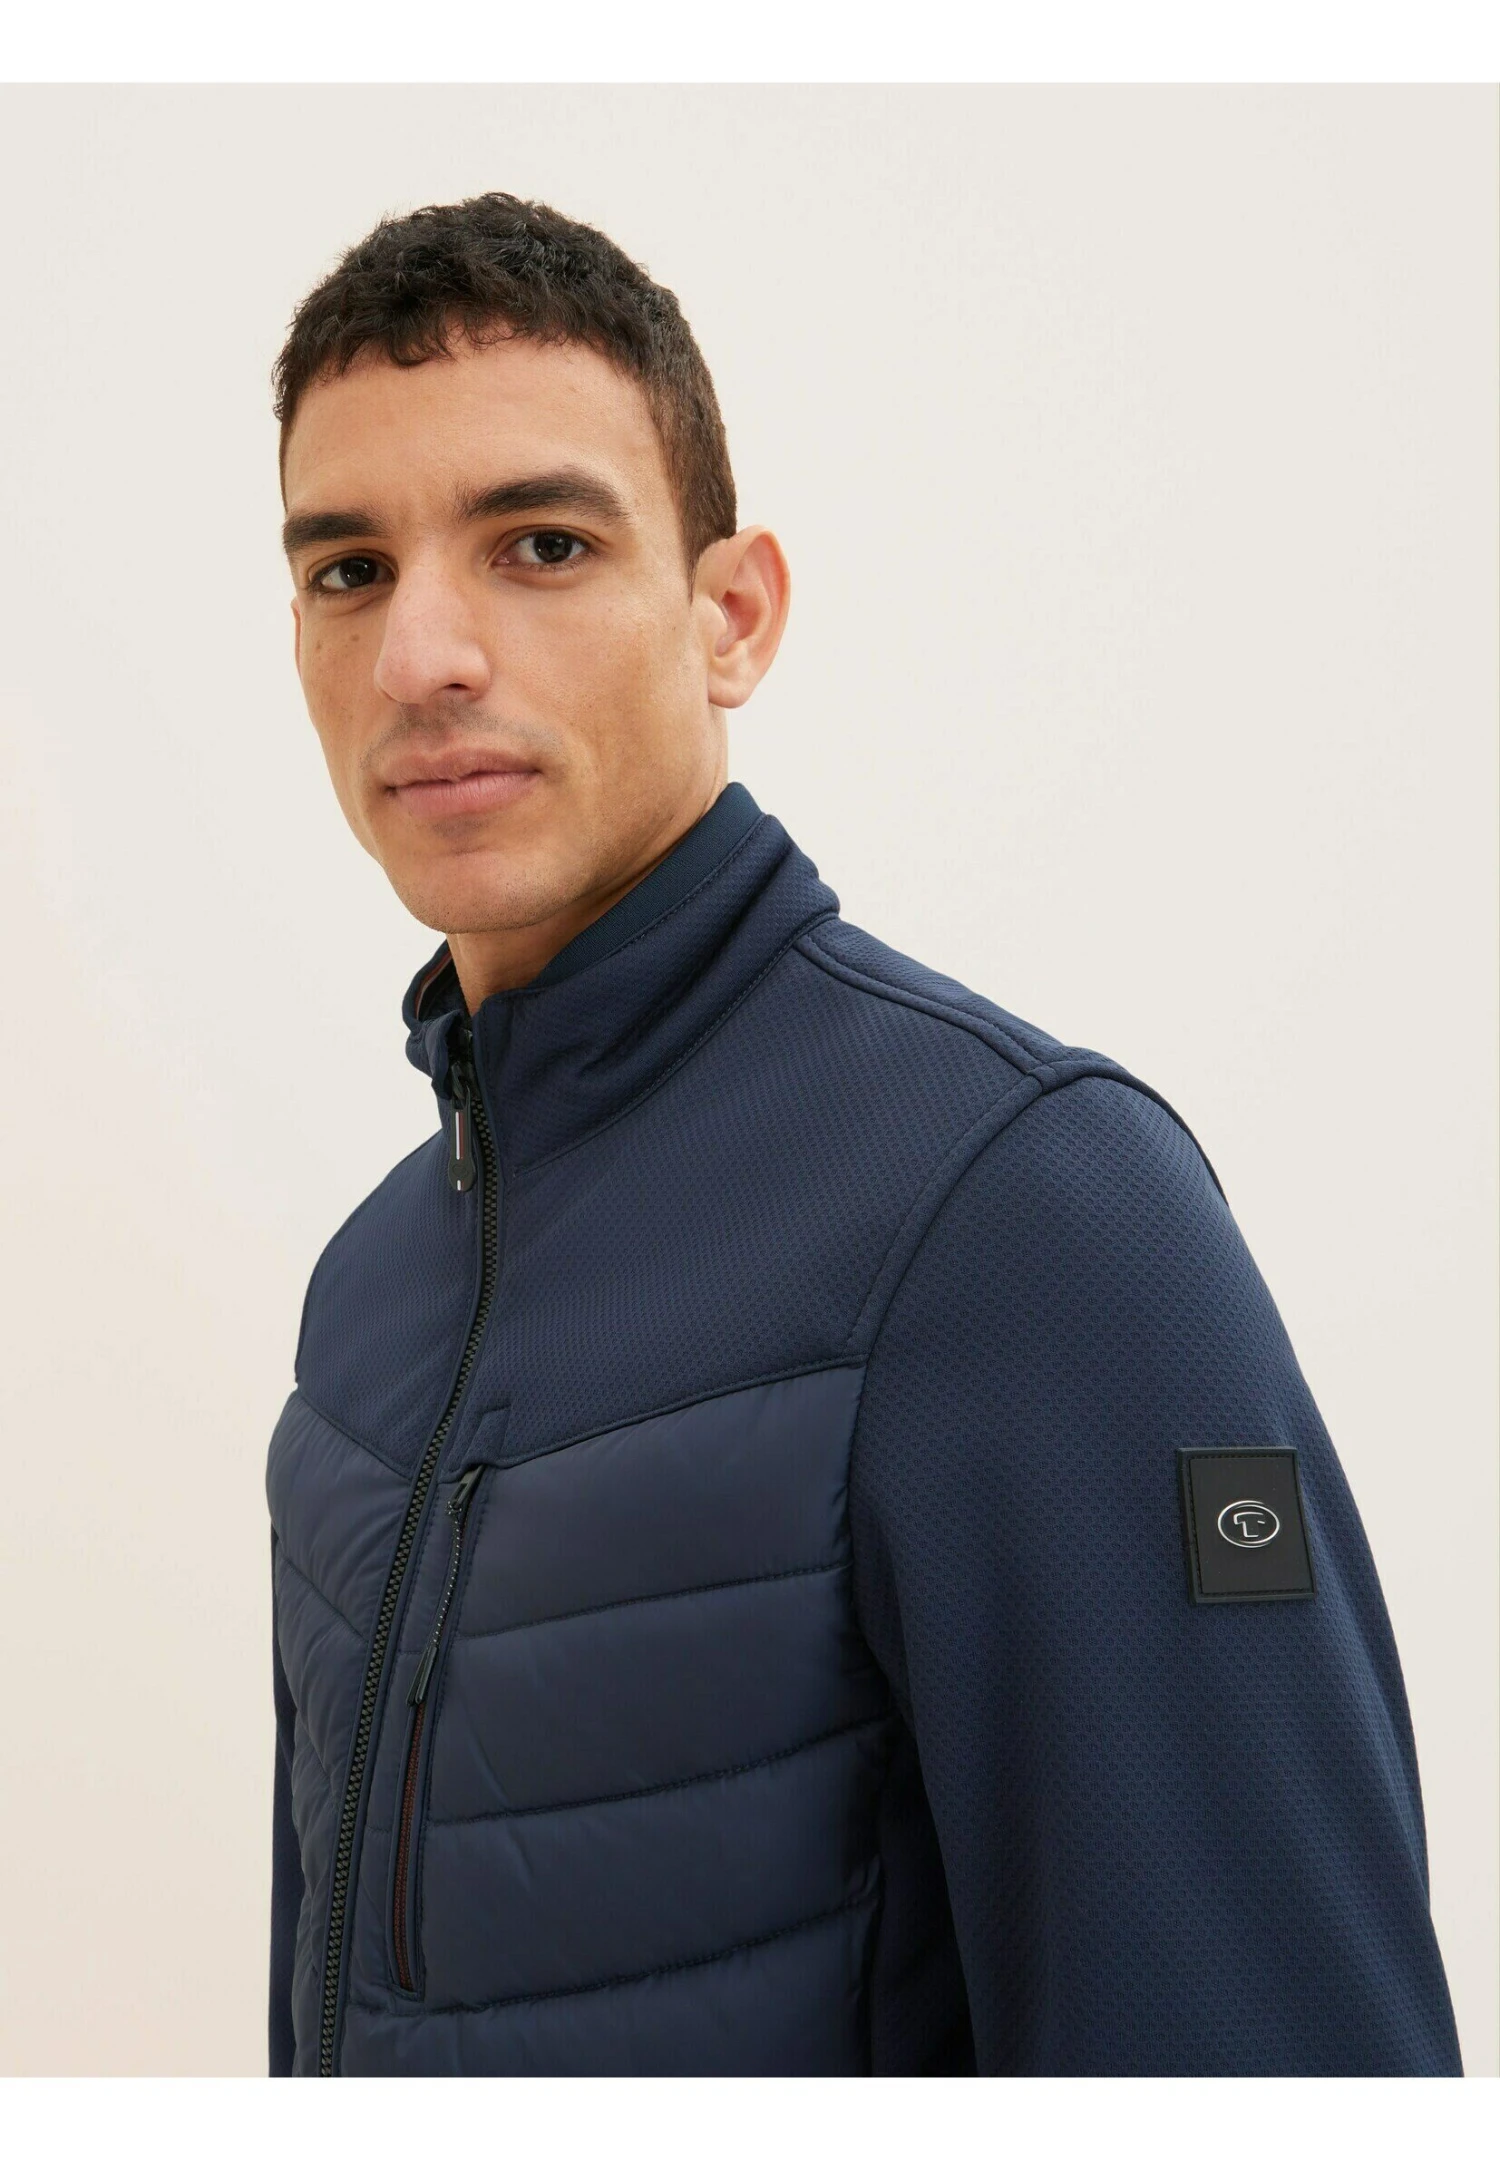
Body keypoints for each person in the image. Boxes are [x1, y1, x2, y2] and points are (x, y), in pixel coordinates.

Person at [265, 190, 1461, 2077]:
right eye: (347, 569)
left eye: (542, 545)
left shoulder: (1032, 1213)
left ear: (731, 616)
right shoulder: (369, 1301)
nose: (423, 652)